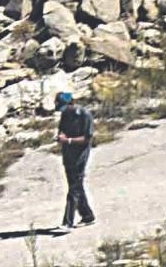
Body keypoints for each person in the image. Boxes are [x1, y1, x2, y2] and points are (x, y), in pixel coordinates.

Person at [55, 91, 96, 228]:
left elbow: (87, 138)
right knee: (76, 186)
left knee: (73, 189)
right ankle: (87, 215)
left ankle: (68, 222)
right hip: (68, 156)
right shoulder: (65, 115)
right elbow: (61, 130)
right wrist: (61, 136)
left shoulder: (85, 115)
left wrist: (68, 140)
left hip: (80, 157)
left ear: (72, 103)